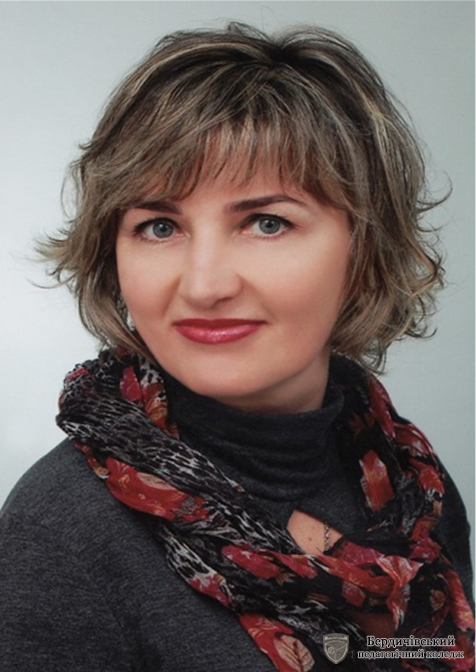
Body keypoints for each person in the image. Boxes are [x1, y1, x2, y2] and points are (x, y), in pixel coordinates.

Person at [0, 22, 474, 672]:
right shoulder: (64, 528)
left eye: (266, 222)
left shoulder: (415, 493)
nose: (204, 284)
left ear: (364, 247)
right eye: (159, 226)